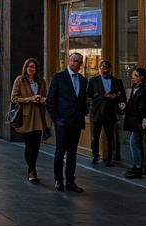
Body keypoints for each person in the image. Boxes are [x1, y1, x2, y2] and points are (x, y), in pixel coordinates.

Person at [46, 52, 88, 192]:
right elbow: (50, 100)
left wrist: (83, 112)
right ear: (68, 61)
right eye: (73, 60)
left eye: (78, 61)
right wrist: (57, 118)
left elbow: (82, 101)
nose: (75, 63)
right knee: (60, 152)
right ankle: (59, 180)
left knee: (72, 152)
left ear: (81, 64)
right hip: (62, 122)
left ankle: (70, 181)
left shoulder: (83, 80)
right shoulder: (59, 77)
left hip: (76, 122)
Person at [10, 58, 51, 182]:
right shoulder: (20, 80)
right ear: (25, 67)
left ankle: (33, 168)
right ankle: (31, 170)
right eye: (29, 66)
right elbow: (14, 99)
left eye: (33, 67)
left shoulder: (41, 81)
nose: (31, 69)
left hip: (39, 116)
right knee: (29, 145)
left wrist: (42, 99)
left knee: (37, 145)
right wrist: (30, 99)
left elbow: (46, 95)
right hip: (26, 116)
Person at [86, 60, 125, 166]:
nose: (104, 71)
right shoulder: (93, 80)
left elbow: (122, 97)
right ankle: (95, 155)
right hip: (97, 111)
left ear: (110, 69)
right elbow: (89, 95)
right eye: (102, 69)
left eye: (107, 69)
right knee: (95, 135)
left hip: (110, 112)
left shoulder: (117, 81)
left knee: (110, 136)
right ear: (99, 69)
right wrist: (101, 96)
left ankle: (109, 158)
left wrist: (116, 96)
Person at [123, 67, 146, 179]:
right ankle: (136, 166)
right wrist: (125, 106)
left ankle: (138, 167)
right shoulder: (134, 88)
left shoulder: (144, 90)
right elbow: (131, 103)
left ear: (141, 77)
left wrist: (144, 119)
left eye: (135, 75)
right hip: (133, 121)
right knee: (135, 143)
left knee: (134, 143)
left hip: (138, 122)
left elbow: (144, 108)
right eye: (133, 75)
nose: (133, 77)